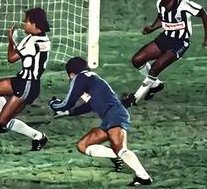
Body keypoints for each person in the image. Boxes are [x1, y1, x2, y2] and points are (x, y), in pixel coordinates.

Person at [50, 57, 153, 186]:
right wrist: (69, 113)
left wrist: (54, 104)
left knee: (121, 148)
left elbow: (67, 103)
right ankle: (116, 156)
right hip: (109, 119)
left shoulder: (80, 78)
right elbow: (89, 105)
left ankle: (143, 177)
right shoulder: (91, 79)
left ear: (71, 73)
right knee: (83, 146)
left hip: (116, 116)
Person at [121, 0, 207, 108]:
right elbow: (162, 18)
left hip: (180, 43)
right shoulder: (160, 2)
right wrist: (152, 28)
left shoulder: (183, 4)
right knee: (137, 60)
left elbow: (204, 14)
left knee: (154, 69)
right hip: (165, 38)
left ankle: (134, 99)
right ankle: (156, 85)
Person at [0, 8, 51, 151]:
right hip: (21, 80)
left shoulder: (32, 41)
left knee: (3, 122)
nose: (24, 24)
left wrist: (10, 40)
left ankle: (38, 136)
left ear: (34, 24)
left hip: (28, 86)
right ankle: (7, 114)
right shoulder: (40, 38)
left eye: (26, 21)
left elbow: (11, 58)